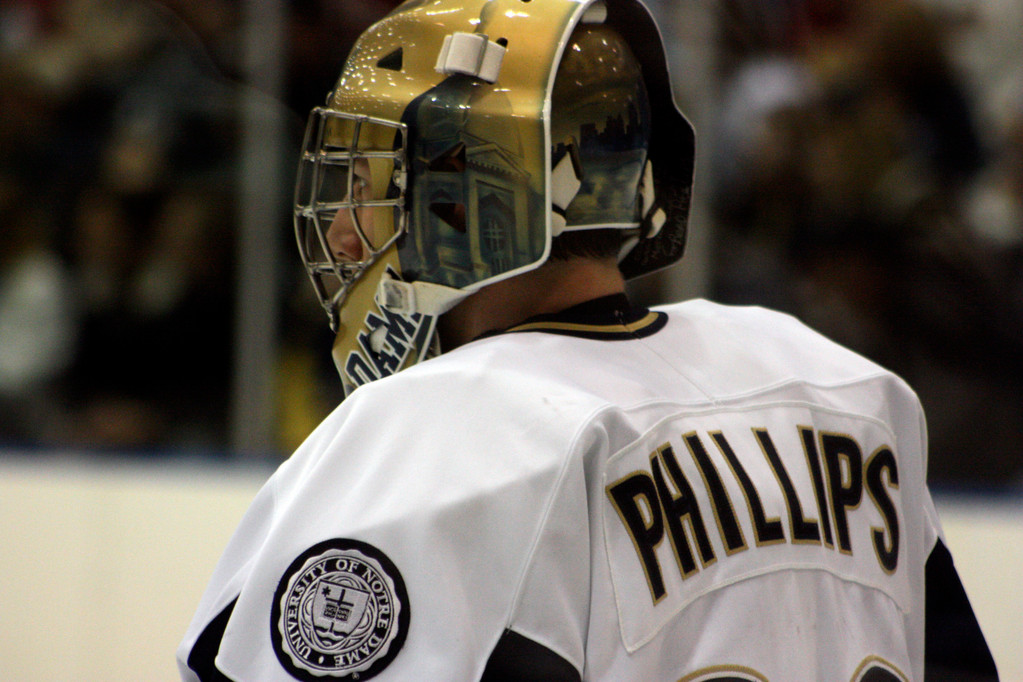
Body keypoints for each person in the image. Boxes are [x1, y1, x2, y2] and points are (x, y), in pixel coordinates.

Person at [178, 0, 998, 680]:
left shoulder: (431, 434)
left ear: (471, 202)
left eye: (373, 187)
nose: (351, 235)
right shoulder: (841, 388)